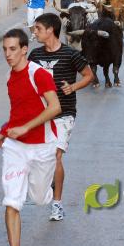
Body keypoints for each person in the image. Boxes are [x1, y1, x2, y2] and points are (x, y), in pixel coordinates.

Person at [0, 29, 62, 246]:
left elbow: (55, 107)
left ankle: (50, 188)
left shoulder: (39, 74)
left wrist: (26, 127)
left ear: (24, 50)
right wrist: (5, 130)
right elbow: (17, 110)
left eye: (12, 49)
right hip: (15, 147)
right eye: (5, 49)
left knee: (40, 199)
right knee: (12, 201)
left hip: (43, 145)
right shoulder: (9, 76)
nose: (8, 54)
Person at [29, 14, 93, 221]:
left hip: (64, 114)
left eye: (38, 28)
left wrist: (73, 87)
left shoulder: (70, 54)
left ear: (50, 30)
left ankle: (57, 204)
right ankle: (49, 181)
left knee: (56, 156)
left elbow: (89, 75)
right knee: (41, 158)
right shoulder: (35, 55)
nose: (35, 32)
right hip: (40, 115)